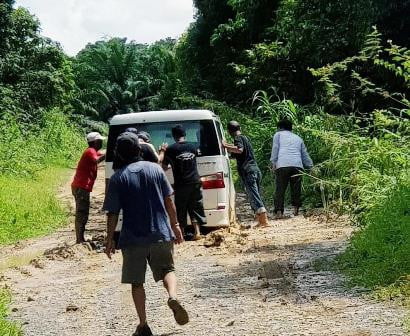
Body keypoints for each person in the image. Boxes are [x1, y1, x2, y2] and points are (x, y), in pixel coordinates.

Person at [103, 132, 188, 336]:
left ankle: (143, 325)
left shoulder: (117, 178)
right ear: (139, 150)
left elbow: (112, 213)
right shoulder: (155, 170)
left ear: (119, 154)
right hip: (160, 232)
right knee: (167, 269)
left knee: (136, 282)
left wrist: (109, 240)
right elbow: (169, 200)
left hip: (132, 238)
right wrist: (175, 226)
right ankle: (172, 295)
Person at [160, 125, 207, 240]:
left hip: (181, 183)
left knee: (181, 208)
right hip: (195, 181)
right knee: (195, 206)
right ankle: (197, 232)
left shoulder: (171, 149)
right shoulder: (193, 147)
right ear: (184, 134)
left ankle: (181, 234)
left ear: (174, 136)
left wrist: (164, 154)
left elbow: (164, 167)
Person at [223, 121, 269, 227]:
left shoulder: (238, 138)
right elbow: (239, 153)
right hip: (255, 170)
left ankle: (264, 220)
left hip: (248, 171)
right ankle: (260, 219)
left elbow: (239, 150)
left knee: (254, 195)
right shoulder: (245, 138)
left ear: (229, 131)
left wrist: (225, 146)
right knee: (256, 194)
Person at [270, 119, 313, 218]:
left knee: (280, 188)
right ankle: (296, 210)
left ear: (280, 128)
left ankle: (279, 211)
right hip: (297, 165)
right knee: (296, 188)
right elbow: (304, 154)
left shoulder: (278, 135)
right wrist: (310, 166)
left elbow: (275, 148)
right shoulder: (298, 138)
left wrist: (273, 162)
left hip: (283, 164)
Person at [71, 132, 106, 243]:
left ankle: (80, 238)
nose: (102, 142)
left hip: (81, 186)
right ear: (95, 142)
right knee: (82, 212)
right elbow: (97, 160)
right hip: (81, 187)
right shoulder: (90, 151)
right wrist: (109, 153)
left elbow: (101, 154)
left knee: (83, 211)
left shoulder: (92, 151)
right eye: (100, 141)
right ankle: (79, 239)